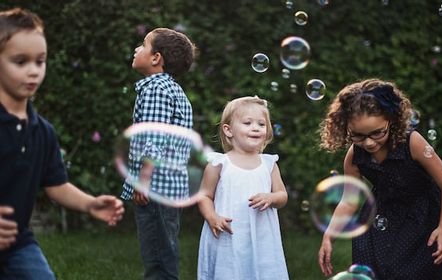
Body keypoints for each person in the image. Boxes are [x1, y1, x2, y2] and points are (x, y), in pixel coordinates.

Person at [0, 7, 125, 279]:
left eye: (40, 61)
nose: (33, 71)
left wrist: (91, 204)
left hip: (17, 244)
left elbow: (56, 185)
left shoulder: (42, 131)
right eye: (20, 62)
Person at [317, 78, 442, 279]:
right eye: (358, 136)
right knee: (373, 271)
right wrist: (329, 235)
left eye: (377, 133)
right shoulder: (355, 156)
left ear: (392, 120)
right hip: (380, 217)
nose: (369, 143)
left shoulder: (411, 142)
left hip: (422, 218)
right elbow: (348, 201)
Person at [120, 27, 196, 279]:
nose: (136, 49)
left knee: (158, 259)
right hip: (168, 188)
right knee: (165, 251)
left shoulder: (156, 89)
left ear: (156, 58)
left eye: (142, 45)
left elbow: (153, 138)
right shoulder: (173, 90)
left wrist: (144, 179)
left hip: (155, 187)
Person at [197, 96, 289, 280]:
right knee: (230, 272)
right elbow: (204, 196)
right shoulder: (219, 163)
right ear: (228, 130)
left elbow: (282, 195)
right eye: (247, 123)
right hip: (228, 235)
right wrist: (212, 217)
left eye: (261, 124)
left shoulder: (268, 163)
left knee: (263, 271)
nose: (255, 128)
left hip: (262, 236)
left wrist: (271, 198)